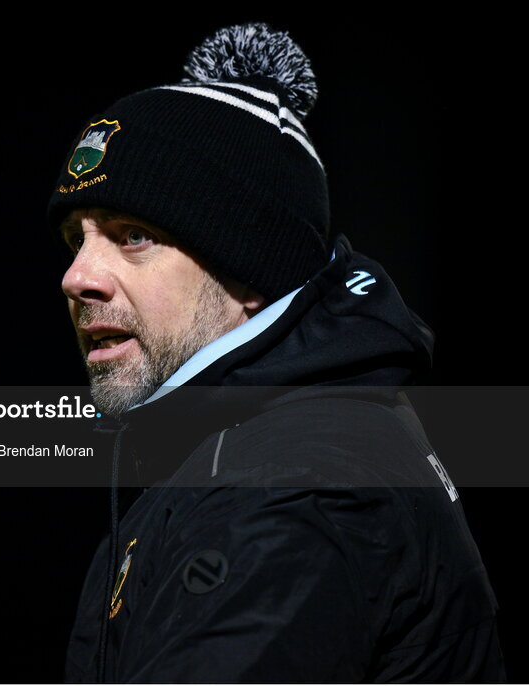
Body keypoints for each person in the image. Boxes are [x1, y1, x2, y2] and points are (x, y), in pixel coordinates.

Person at [48, 23, 506, 682]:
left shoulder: (289, 490)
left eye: (135, 235)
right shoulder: (250, 448)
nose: (77, 275)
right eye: (76, 238)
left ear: (253, 269)